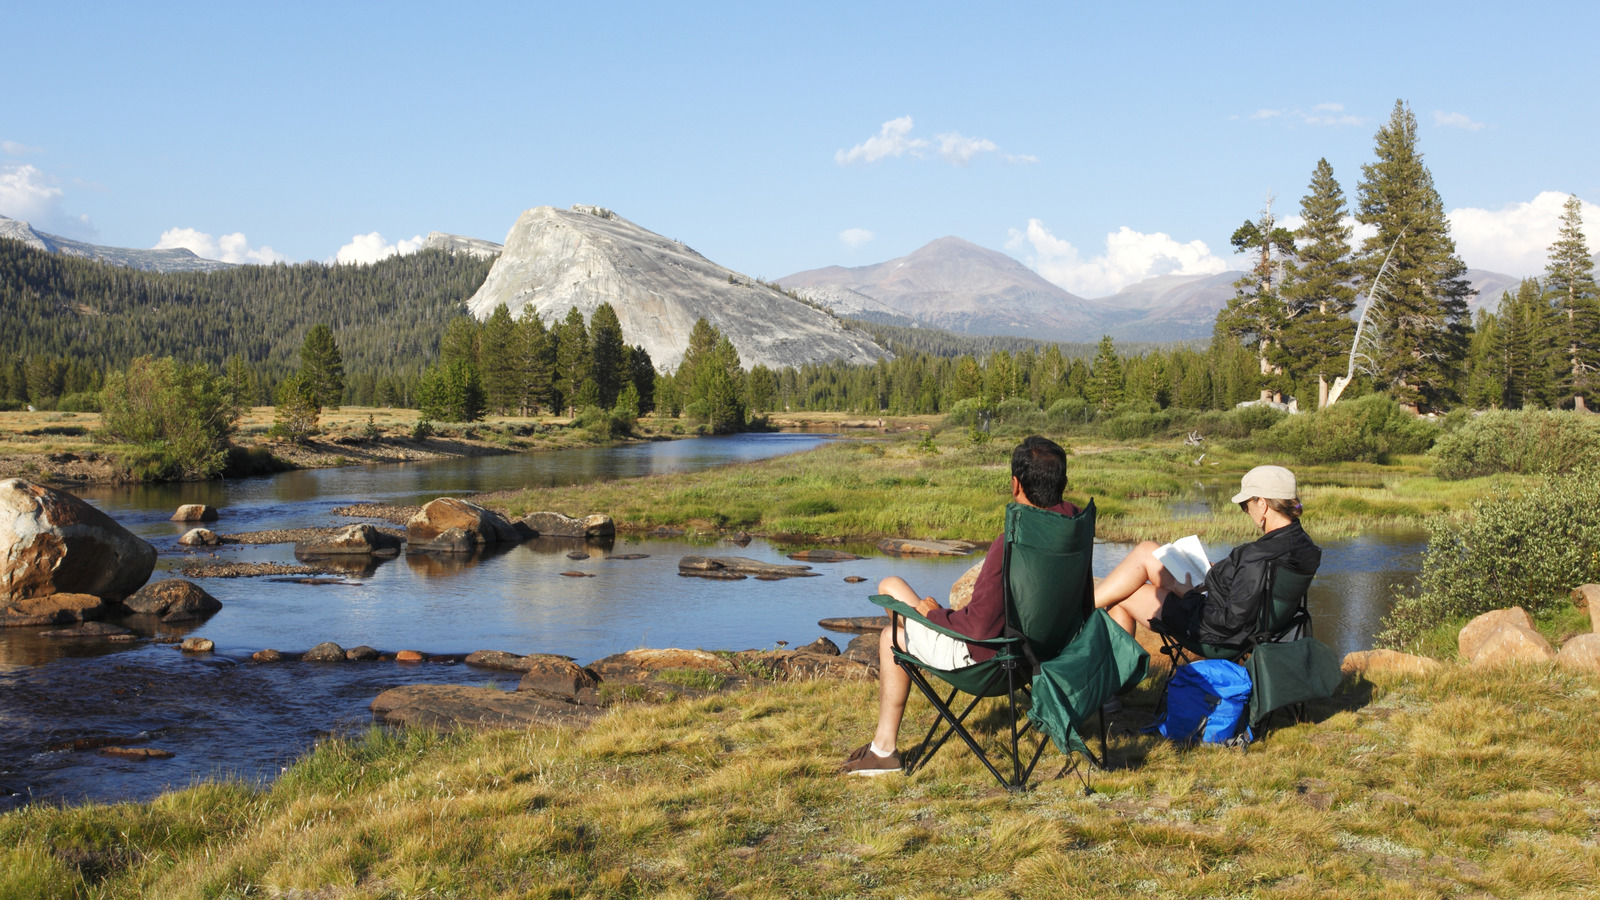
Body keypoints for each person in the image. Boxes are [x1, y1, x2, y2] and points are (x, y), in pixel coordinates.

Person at [840, 435, 1079, 775]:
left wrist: (935, 615)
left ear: (1014, 485)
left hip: (992, 662)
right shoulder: (1073, 528)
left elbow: (979, 627)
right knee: (892, 587)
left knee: (889, 632)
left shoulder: (1011, 542)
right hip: (1045, 654)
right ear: (1063, 483)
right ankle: (882, 743)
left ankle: (884, 751)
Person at [1093, 465, 1321, 647]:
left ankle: (1080, 616)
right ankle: (1083, 608)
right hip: (1239, 618)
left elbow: (1230, 622)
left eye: (1245, 505)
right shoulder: (1303, 545)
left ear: (1262, 504)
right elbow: (1254, 588)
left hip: (1212, 629)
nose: (1246, 511)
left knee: (1124, 594)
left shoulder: (1256, 556)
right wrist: (1221, 571)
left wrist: (1187, 594)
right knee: (1148, 549)